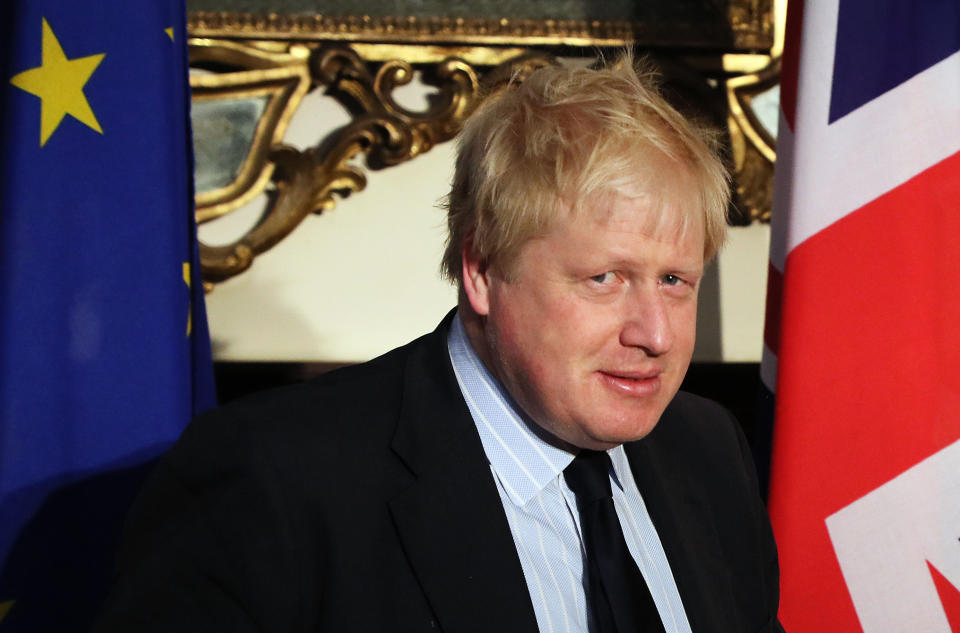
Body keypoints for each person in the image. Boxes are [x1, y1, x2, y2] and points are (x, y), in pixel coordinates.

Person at [95, 55, 784, 633]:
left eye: (674, 280)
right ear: (482, 271)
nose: (656, 334)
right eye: (604, 278)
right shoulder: (272, 483)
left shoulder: (709, 451)